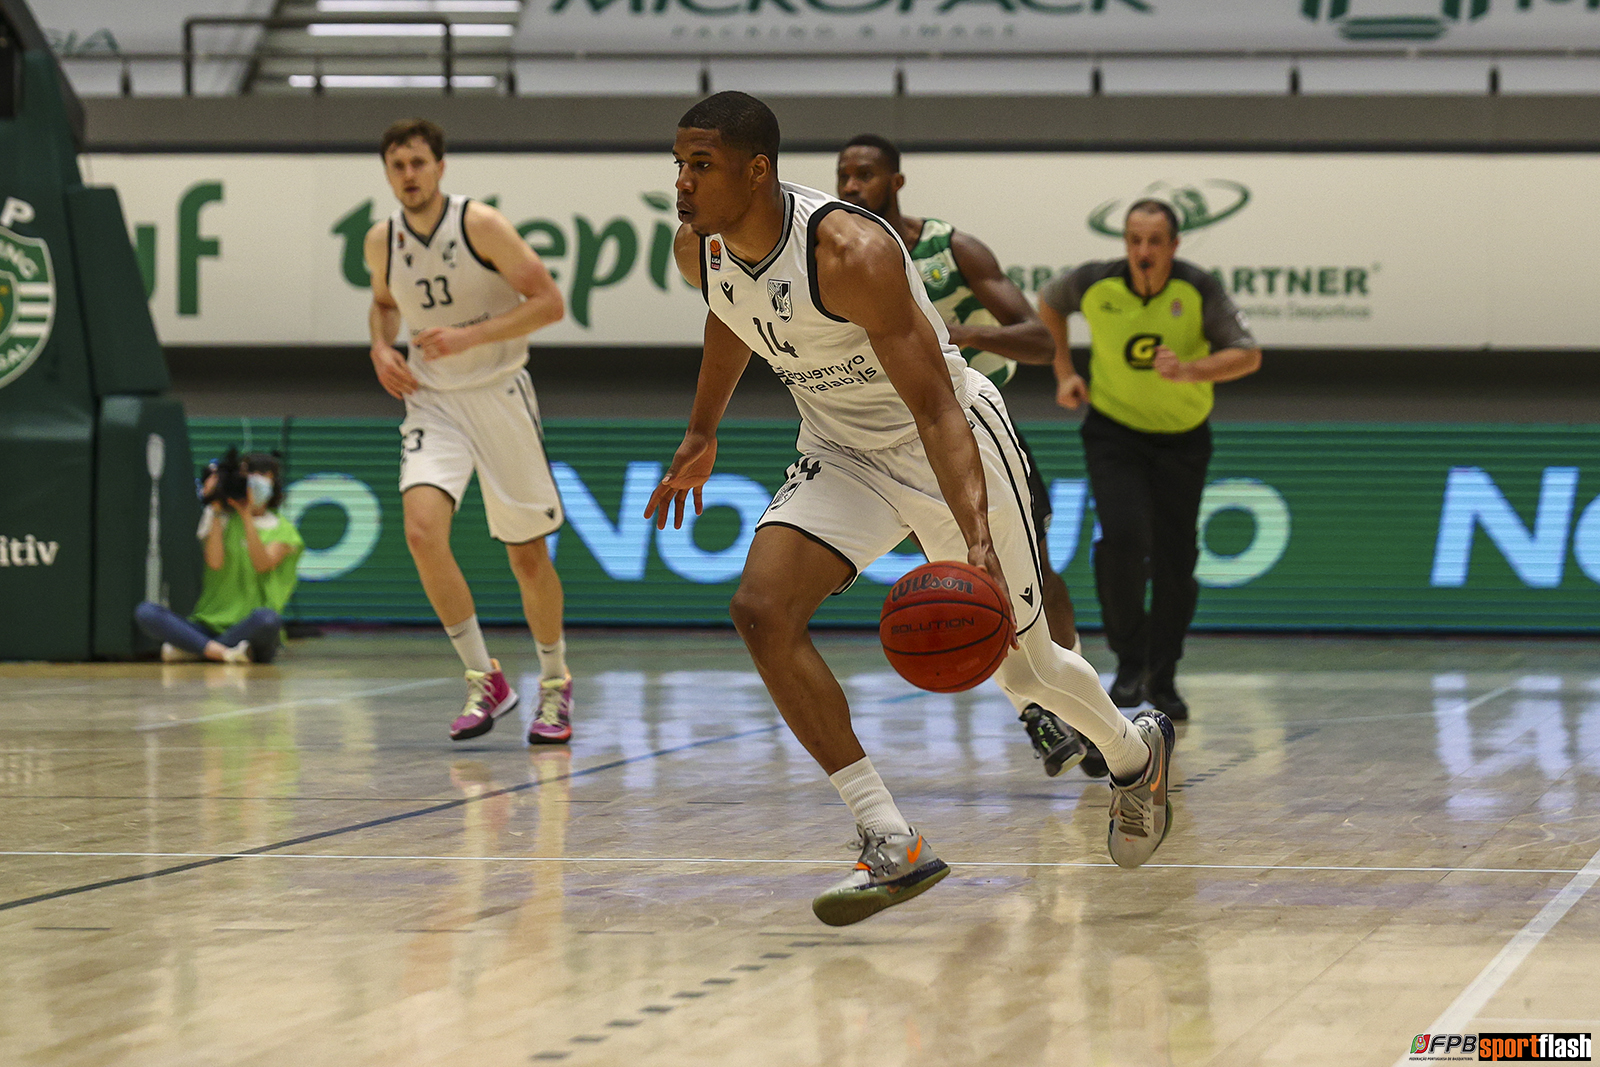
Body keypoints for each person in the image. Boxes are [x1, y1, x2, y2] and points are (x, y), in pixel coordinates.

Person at [647, 92, 1175, 927]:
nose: (681, 181)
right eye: (677, 163)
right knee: (760, 609)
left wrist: (974, 537)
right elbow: (732, 316)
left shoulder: (852, 252)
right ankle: (890, 837)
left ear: (757, 171)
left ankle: (1133, 754)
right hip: (839, 451)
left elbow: (936, 407)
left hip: (945, 440)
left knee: (1025, 668)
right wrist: (701, 429)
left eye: (699, 165)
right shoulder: (695, 249)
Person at [834, 133, 1089, 780]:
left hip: (980, 422)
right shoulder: (837, 258)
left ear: (896, 181)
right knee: (960, 576)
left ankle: (1080, 694)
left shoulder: (952, 250)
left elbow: (1037, 340)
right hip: (901, 438)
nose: (850, 186)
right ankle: (1035, 712)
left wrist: (965, 331)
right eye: (843, 174)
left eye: (865, 174)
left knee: (1035, 567)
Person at [362, 117, 575, 745]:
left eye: (419, 163)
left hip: (500, 393)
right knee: (422, 531)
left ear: (440, 167)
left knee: (526, 555)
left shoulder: (478, 224)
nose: (409, 176)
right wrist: (379, 349)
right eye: (397, 166)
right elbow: (382, 304)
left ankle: (556, 685)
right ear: (387, 173)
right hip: (433, 403)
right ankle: (486, 678)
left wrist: (468, 336)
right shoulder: (381, 241)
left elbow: (548, 302)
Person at [1039, 199, 1262, 721]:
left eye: (1154, 242)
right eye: (1134, 240)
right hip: (1114, 432)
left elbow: (1248, 353)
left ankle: (1163, 676)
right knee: (1121, 541)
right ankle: (1128, 663)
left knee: (1176, 559)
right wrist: (1064, 372)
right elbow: (1048, 303)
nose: (1143, 251)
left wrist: (1191, 369)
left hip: (1182, 438)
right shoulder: (1096, 283)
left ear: (1174, 246)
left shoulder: (1197, 288)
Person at [135, 453, 303, 664]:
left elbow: (262, 564)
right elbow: (214, 563)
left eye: (262, 475)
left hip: (251, 627)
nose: (254, 482)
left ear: (274, 483)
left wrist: (246, 515)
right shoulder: (220, 518)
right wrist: (214, 506)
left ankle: (196, 650)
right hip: (208, 624)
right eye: (249, 474)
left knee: (268, 619)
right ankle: (222, 652)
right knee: (147, 612)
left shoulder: (285, 531)